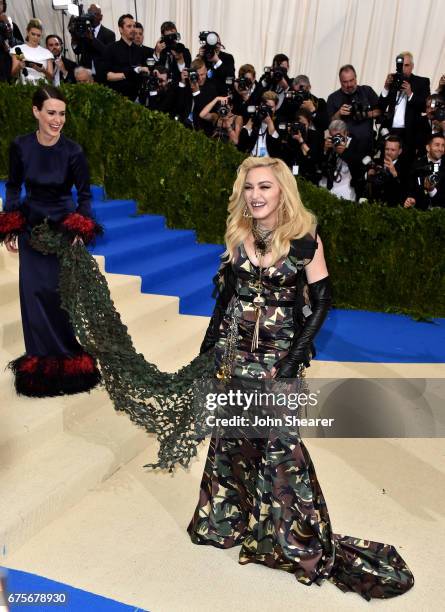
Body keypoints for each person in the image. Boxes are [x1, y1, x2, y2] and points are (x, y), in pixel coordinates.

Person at [187, 156, 414, 600]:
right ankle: (226, 521)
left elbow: (324, 299)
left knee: (279, 448)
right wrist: (209, 345)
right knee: (232, 440)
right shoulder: (238, 236)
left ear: (282, 192)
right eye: (250, 187)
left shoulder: (304, 241)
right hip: (235, 360)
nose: (256, 195)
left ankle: (295, 539)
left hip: (276, 362)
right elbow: (228, 296)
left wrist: (291, 361)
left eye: (265, 187)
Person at [0, 85, 102, 396]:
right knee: (33, 295)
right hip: (32, 228)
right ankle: (40, 363)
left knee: (59, 298)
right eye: (51, 113)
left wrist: (79, 230)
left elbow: (84, 195)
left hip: (62, 231)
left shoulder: (73, 152)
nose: (57, 120)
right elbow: (14, 187)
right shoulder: (20, 147)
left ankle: (68, 359)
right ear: (36, 112)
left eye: (61, 114)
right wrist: (12, 225)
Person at [379, 52, 430, 161]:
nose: (403, 68)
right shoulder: (392, 80)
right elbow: (380, 107)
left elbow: (425, 107)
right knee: (387, 164)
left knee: (407, 165)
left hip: (410, 133)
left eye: (406, 65)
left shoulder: (422, 82)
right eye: (401, 65)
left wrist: (410, 94)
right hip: (390, 132)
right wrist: (386, 87)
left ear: (412, 66)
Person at [327, 64, 380, 159]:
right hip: (344, 147)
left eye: (351, 80)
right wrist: (339, 114)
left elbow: (380, 111)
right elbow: (330, 123)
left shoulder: (366, 91)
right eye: (345, 82)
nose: (349, 85)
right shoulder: (333, 98)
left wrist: (366, 114)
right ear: (340, 81)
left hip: (366, 145)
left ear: (356, 78)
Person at [10, 19, 53, 84]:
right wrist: (19, 67)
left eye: (38, 35)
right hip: (23, 87)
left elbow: (51, 78)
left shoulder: (47, 53)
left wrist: (43, 70)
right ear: (27, 32)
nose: (35, 37)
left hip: (42, 88)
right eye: (33, 34)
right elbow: (13, 75)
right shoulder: (18, 49)